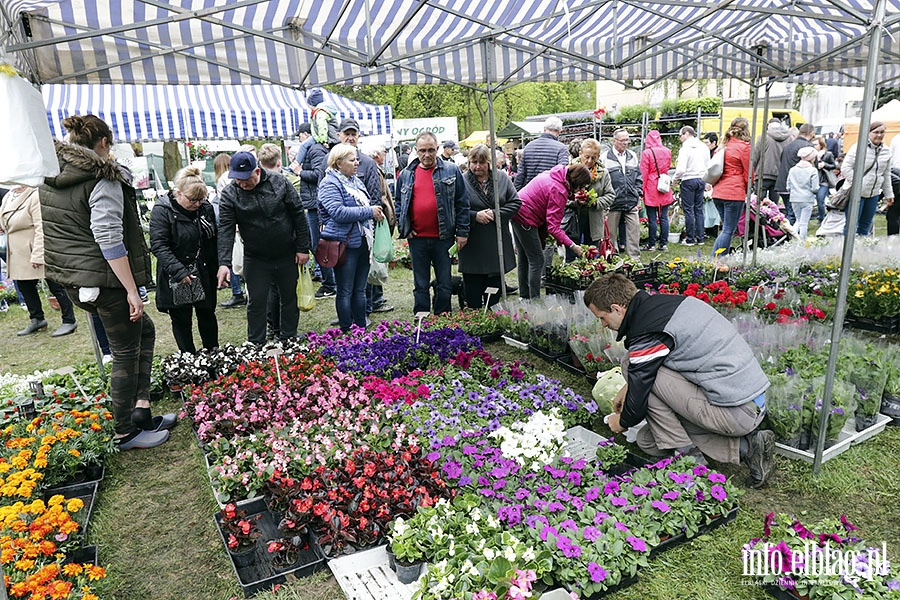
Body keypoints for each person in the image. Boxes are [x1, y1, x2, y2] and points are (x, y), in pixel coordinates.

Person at [40, 114, 174, 450]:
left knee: (144, 331)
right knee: (125, 350)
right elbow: (109, 238)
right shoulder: (102, 179)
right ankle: (125, 431)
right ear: (104, 144)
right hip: (104, 279)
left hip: (75, 279)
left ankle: (141, 411)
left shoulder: (53, 174)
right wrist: (132, 289)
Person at [583, 272, 775, 488]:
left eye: (601, 317)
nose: (603, 325)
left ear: (617, 309)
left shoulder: (646, 331)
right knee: (648, 440)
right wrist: (628, 387)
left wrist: (622, 421)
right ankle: (748, 448)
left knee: (630, 364)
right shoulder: (667, 305)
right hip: (749, 402)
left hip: (737, 412)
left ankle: (688, 460)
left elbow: (637, 404)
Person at [216, 151, 311, 345]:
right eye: (238, 179)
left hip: (286, 252)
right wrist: (224, 263)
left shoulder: (280, 182)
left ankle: (288, 337)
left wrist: (302, 247)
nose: (242, 184)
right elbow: (225, 229)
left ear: (257, 171)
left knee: (289, 298)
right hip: (255, 256)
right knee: (256, 302)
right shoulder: (229, 193)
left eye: (246, 179)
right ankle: (256, 343)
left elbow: (298, 214)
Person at [396, 130, 470, 314]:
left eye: (430, 150)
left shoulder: (451, 171)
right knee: (420, 283)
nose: (427, 155)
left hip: (443, 237)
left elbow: (462, 202)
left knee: (444, 282)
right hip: (417, 239)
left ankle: (442, 316)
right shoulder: (406, 174)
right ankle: (421, 316)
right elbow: (398, 202)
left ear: (437, 149)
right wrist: (405, 227)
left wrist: (462, 232)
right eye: (422, 150)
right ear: (416, 150)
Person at [149, 166, 219, 353]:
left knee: (207, 314)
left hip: (202, 270)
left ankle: (213, 353)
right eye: (192, 200)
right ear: (178, 193)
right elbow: (158, 245)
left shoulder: (205, 208)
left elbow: (212, 241)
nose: (197, 204)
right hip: (177, 273)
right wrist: (179, 271)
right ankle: (188, 357)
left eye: (201, 199)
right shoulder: (162, 210)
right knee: (181, 319)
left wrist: (217, 268)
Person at [317, 144, 385, 331]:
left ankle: (361, 328)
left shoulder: (354, 181)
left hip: (362, 241)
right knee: (345, 291)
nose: (357, 163)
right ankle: (347, 329)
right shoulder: (329, 183)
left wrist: (374, 213)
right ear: (338, 163)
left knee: (360, 290)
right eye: (352, 160)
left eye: (356, 159)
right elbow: (338, 212)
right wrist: (368, 211)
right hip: (343, 244)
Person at [0, 186, 78, 337]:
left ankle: (69, 320)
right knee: (25, 286)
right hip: (17, 251)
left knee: (56, 285)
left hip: (35, 246)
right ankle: (37, 319)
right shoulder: (9, 195)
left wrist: (38, 254)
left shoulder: (34, 195)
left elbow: (41, 226)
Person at [337, 118, 393, 314]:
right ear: (339, 136)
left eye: (354, 134)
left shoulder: (367, 163)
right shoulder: (330, 161)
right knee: (344, 278)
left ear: (359, 136)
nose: (350, 138)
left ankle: (365, 310)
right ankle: (348, 315)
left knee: (363, 275)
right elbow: (323, 199)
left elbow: (374, 196)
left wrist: (367, 219)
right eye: (347, 134)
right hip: (339, 232)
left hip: (361, 230)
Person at [513, 164, 590, 298]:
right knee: (537, 260)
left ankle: (524, 297)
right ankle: (534, 300)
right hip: (526, 217)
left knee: (524, 258)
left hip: (517, 210)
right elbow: (553, 227)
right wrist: (573, 246)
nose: (581, 190)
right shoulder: (559, 190)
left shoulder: (555, 174)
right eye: (582, 186)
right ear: (576, 183)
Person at [459, 144, 521, 309]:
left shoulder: (501, 178)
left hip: (496, 240)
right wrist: (475, 216)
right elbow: (454, 208)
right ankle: (474, 318)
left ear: (489, 162)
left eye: (481, 162)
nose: (477, 167)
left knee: (494, 288)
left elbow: (515, 203)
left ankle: (494, 315)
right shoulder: (462, 180)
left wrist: (495, 213)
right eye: (473, 162)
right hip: (473, 242)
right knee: (472, 287)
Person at [841, 121, 894, 236]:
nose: (879, 135)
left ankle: (861, 251)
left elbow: (886, 174)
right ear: (868, 133)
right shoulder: (858, 148)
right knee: (851, 226)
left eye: (882, 132)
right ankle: (845, 251)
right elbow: (845, 168)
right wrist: (859, 184)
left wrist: (889, 194)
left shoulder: (887, 151)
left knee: (865, 226)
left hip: (873, 194)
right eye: (876, 132)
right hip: (856, 193)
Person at [710, 118, 752, 260]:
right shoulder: (744, 147)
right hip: (734, 192)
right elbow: (748, 174)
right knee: (728, 230)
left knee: (726, 229)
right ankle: (716, 260)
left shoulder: (723, 145)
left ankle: (721, 258)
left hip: (718, 191)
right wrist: (747, 190)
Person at [566, 139, 616, 253]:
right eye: (586, 157)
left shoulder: (603, 173)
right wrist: (575, 201)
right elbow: (561, 197)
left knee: (592, 255)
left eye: (593, 158)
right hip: (573, 220)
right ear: (580, 154)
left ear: (598, 156)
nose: (589, 161)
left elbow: (610, 195)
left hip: (594, 221)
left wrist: (595, 202)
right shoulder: (569, 170)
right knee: (573, 256)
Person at [601, 128, 642, 260]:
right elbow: (601, 180)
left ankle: (634, 261)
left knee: (634, 232)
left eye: (627, 140)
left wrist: (638, 192)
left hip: (630, 200)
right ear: (614, 141)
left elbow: (638, 176)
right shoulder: (605, 158)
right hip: (613, 203)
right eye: (623, 140)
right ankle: (613, 260)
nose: (626, 143)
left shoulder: (632, 156)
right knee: (611, 234)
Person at [213, 152, 246, 308]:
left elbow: (224, 206)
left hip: (234, 226)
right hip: (241, 225)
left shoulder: (222, 180)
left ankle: (237, 292)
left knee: (234, 259)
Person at [673, 126, 708, 246]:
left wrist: (675, 179)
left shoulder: (685, 148)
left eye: (680, 135)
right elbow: (708, 164)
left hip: (688, 180)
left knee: (688, 210)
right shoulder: (703, 146)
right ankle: (700, 238)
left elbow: (681, 168)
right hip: (701, 179)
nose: (680, 138)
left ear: (687, 134)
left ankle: (690, 239)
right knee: (699, 209)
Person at [639, 130, 674, 251]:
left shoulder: (647, 153)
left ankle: (652, 244)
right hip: (663, 185)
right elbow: (667, 167)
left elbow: (644, 173)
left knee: (652, 218)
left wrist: (641, 190)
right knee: (663, 216)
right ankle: (663, 243)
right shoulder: (667, 151)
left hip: (651, 186)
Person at [514, 116, 569, 190]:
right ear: (560, 131)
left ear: (544, 129)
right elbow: (562, 174)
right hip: (550, 194)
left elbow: (520, 175)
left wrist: (516, 195)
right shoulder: (562, 149)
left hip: (530, 193)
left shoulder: (529, 146)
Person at [776, 122, 816, 225]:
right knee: (796, 217)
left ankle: (786, 235)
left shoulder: (788, 146)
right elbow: (812, 167)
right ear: (811, 133)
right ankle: (790, 238)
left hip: (783, 183)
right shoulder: (807, 147)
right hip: (797, 187)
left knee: (790, 213)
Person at [294, 88, 339, 167]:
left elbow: (322, 127)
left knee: (303, 146)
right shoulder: (324, 110)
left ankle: (295, 165)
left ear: (312, 103)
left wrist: (324, 141)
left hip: (320, 138)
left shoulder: (320, 112)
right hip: (321, 137)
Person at [750, 119, 791, 205]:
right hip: (779, 175)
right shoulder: (789, 138)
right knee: (774, 203)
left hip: (763, 174)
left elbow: (755, 155)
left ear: (769, 126)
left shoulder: (763, 137)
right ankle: (772, 218)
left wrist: (751, 171)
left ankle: (759, 218)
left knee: (758, 203)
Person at [786, 147, 819, 240]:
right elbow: (815, 188)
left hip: (794, 198)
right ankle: (802, 242)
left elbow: (788, 186)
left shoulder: (792, 169)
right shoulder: (813, 170)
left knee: (798, 220)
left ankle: (791, 238)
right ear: (812, 158)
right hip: (807, 199)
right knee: (804, 222)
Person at [813, 136, 837, 223]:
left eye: (815, 144)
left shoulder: (828, 154)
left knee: (820, 200)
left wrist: (824, 165)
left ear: (821, 145)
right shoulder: (811, 155)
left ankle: (821, 218)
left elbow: (834, 165)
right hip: (814, 180)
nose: (814, 146)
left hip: (824, 180)